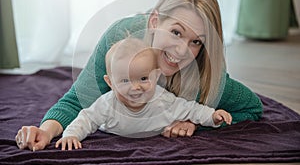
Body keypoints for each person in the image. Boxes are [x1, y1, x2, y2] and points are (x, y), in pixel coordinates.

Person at [15, 0, 263, 151]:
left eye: (196, 41)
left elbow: (252, 107)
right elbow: (77, 102)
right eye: (176, 32)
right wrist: (45, 132)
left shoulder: (206, 74)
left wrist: (194, 124)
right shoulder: (119, 45)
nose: (182, 50)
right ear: (155, 21)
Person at [55, 38, 232, 150]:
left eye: (143, 78)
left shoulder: (163, 100)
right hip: (112, 131)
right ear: (110, 83)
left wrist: (213, 116)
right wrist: (71, 135)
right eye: (125, 81)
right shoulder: (108, 104)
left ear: (155, 76)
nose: (135, 87)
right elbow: (86, 118)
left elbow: (191, 109)